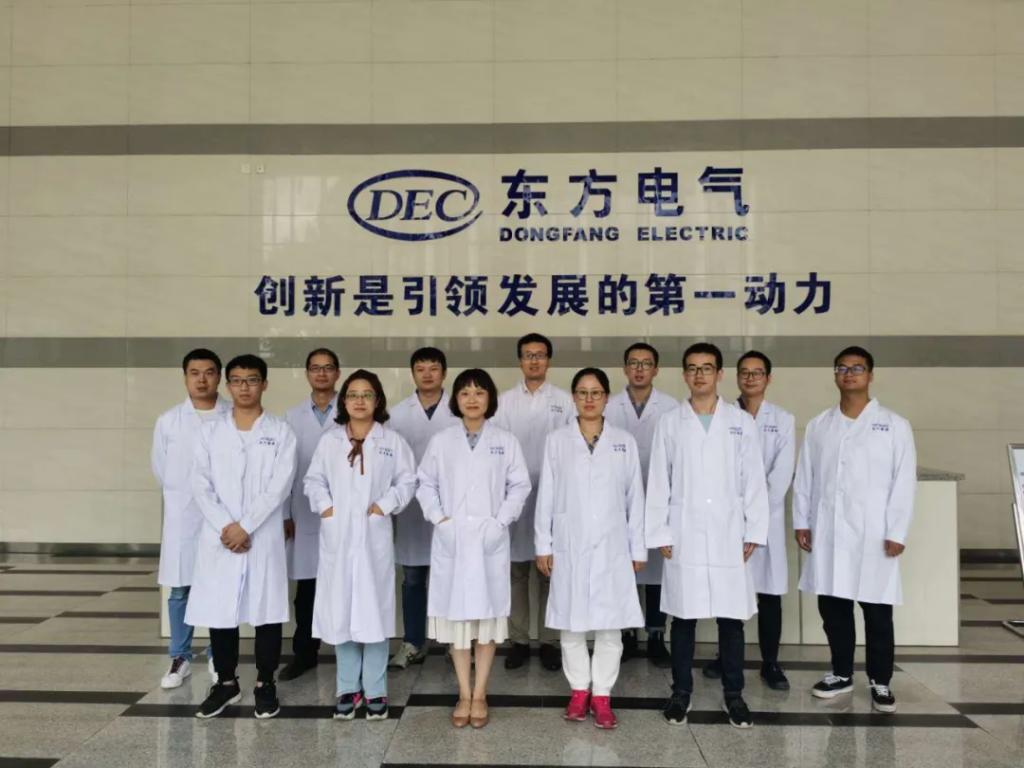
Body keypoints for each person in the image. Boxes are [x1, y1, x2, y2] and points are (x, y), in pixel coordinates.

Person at [646, 342, 769, 729]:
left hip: (729, 532)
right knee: (683, 618)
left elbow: (754, 480)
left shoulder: (740, 422)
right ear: (684, 374)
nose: (699, 375)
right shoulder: (670, 422)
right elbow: (659, 479)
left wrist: (754, 529)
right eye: (693, 368)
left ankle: (734, 695)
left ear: (719, 374)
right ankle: (681, 693)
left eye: (707, 368)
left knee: (731, 620)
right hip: (683, 532)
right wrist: (660, 531)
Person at [794, 346, 916, 714]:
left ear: (870, 375)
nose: (849, 374)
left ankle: (880, 680)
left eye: (857, 368)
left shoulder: (894, 425)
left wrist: (897, 531)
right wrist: (802, 521)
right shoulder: (819, 425)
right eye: (842, 368)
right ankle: (841, 673)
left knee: (877, 611)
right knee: (834, 608)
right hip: (830, 532)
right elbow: (805, 477)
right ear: (835, 375)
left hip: (875, 535)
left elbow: (903, 482)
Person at [417, 369, 531, 728]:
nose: (472, 399)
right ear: (456, 399)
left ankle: (480, 693)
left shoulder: (505, 440)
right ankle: (463, 694)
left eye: (479, 392)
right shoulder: (442, 441)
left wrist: (500, 522)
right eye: (465, 392)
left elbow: (520, 485)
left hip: (488, 540)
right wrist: (440, 519)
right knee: (458, 625)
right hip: (452, 539)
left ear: (490, 399)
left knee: (487, 621)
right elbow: (425, 484)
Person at [186, 354, 297, 719]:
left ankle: (266, 683)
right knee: (221, 612)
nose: (244, 387)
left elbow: (280, 486)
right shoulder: (209, 432)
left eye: (251, 380)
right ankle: (226, 683)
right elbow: (200, 484)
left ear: (264, 384)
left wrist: (245, 526)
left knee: (266, 612)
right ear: (228, 385)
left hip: (261, 535)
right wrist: (227, 526)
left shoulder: (280, 432)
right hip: (221, 537)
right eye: (236, 380)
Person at [535, 367, 646, 730]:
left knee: (610, 626)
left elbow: (635, 498)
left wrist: (638, 548)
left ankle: (602, 695)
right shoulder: (557, 441)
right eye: (582, 392)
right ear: (573, 397)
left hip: (613, 545)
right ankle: (579, 690)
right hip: (569, 543)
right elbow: (547, 495)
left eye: (595, 392)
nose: (588, 399)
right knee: (571, 624)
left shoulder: (623, 441)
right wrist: (543, 543)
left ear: (606, 398)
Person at [304, 370, 416, 721]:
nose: (359, 400)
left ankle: (376, 690)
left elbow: (408, 480)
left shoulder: (391, 441)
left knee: (375, 612)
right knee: (342, 611)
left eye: (367, 394)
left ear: (377, 400)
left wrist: (384, 506)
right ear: (344, 401)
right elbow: (313, 480)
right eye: (353, 394)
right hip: (338, 537)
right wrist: (327, 508)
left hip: (373, 538)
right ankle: (348, 688)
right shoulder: (330, 441)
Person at [704, 350, 795, 690]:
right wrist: (735, 510)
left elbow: (780, 475)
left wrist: (753, 512)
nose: (751, 378)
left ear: (768, 378)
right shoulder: (720, 416)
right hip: (728, 520)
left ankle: (770, 662)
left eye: (757, 372)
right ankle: (726, 658)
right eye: (744, 372)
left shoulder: (783, 419)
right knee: (730, 593)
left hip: (766, 519)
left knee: (769, 594)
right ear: (735, 376)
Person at [493, 333, 574, 671]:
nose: (534, 360)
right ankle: (519, 640)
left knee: (550, 571)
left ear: (548, 361)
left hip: (553, 495)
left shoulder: (565, 401)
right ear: (520, 361)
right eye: (528, 355)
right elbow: (496, 449)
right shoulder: (504, 401)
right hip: (513, 495)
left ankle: (550, 641)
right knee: (516, 571)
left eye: (540, 355)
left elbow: (572, 446)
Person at [151, 348, 231, 688]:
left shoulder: (232, 416)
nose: (202, 379)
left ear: (219, 377)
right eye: (194, 373)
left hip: (221, 517)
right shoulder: (169, 421)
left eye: (209, 372)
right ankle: (180, 656)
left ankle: (217, 653)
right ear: (185, 377)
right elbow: (161, 470)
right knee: (180, 589)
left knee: (217, 586)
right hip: (184, 517)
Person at [604, 342, 679, 667]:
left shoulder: (671, 407)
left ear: (655, 369)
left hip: (660, 499)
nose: (639, 369)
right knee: (624, 567)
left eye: (646, 363)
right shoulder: (609, 406)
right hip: (618, 501)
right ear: (625, 369)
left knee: (658, 571)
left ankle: (656, 635)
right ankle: (626, 633)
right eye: (633, 363)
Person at [387, 347, 459, 669]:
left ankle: (454, 642)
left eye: (433, 368)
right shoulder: (396, 414)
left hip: (451, 506)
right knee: (413, 578)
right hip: (413, 509)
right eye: (421, 368)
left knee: (452, 575)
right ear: (412, 374)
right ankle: (413, 642)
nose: (427, 374)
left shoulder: (459, 409)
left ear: (444, 373)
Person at [279, 348, 341, 681]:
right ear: (307, 374)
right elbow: (284, 471)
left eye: (328, 368)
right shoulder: (291, 416)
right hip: (303, 512)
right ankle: (305, 652)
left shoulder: (352, 409)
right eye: (315, 368)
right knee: (306, 590)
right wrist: (285, 513)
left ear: (337, 373)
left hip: (343, 512)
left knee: (343, 583)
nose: (321, 373)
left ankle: (349, 653)